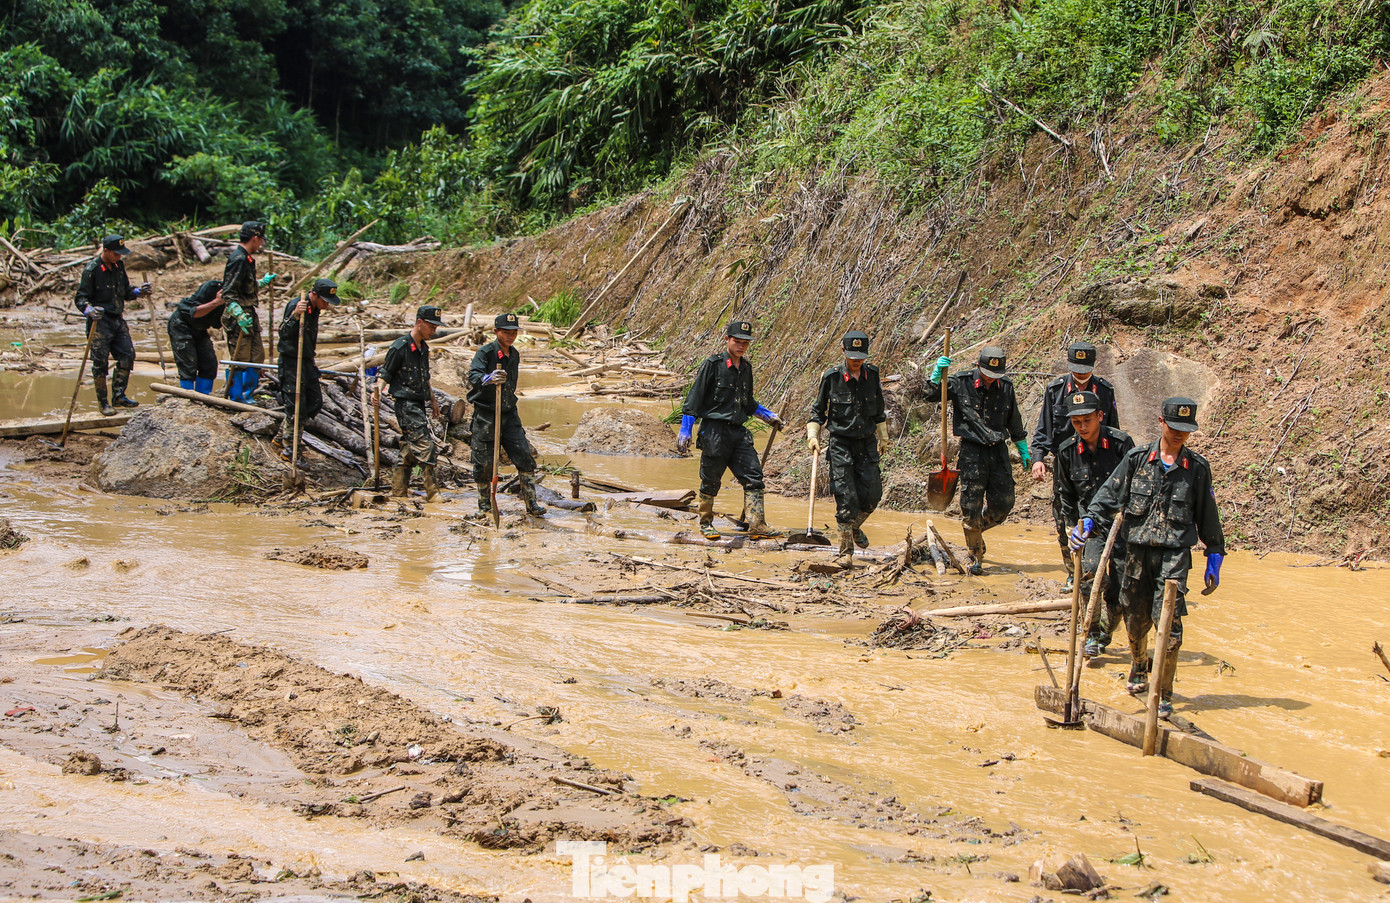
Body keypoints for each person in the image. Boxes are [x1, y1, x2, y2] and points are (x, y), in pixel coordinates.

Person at [1073, 397, 1225, 718]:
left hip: (1174, 558)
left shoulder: (1197, 469)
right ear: (1161, 422)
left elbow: (1208, 517)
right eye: (1174, 427)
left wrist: (1214, 555)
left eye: (1186, 429)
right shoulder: (1137, 459)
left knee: (1169, 627)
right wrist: (1088, 521)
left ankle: (1163, 691)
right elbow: (1107, 497)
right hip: (1136, 555)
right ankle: (1139, 663)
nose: (1179, 434)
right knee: (1135, 620)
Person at [925, 346, 1029, 574]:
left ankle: (977, 529)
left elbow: (1014, 419)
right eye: (987, 374)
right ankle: (975, 555)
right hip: (972, 452)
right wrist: (936, 376)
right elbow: (931, 395)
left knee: (1004, 504)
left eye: (995, 375)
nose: (991, 379)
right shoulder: (961, 382)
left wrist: (1022, 448)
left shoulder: (1006, 387)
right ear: (978, 367)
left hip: (998, 451)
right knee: (970, 507)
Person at [678, 319, 785, 540]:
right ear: (727, 339)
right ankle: (706, 523)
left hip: (738, 433)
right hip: (714, 432)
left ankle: (757, 525)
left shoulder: (746, 368)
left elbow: (748, 403)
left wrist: (768, 416)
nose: (741, 346)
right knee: (711, 479)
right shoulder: (713, 365)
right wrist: (685, 430)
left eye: (745, 343)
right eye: (737, 341)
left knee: (754, 476)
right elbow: (694, 400)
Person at [1053, 390, 1134, 657]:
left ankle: (1106, 632)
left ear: (1100, 416)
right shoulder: (1067, 451)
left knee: (1122, 588)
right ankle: (1091, 632)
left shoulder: (1122, 444)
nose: (1082, 427)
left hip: (1121, 523)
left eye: (1087, 420)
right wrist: (1069, 527)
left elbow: (1134, 485)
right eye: (1076, 422)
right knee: (1089, 574)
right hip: (1089, 525)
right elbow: (1065, 493)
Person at [1031, 340, 1121, 578]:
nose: (1080, 374)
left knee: (1101, 515)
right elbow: (1044, 428)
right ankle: (1073, 573)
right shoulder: (1056, 390)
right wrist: (1038, 458)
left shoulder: (1104, 391)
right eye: (1076, 369)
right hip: (1067, 466)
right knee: (1065, 520)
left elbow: (1113, 429)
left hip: (1099, 465)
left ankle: (1099, 573)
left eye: (1085, 369)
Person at [808, 330, 888, 564]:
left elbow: (879, 410)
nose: (856, 361)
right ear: (843, 351)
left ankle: (852, 527)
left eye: (860, 357)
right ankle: (845, 554)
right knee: (846, 499)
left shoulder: (872, 375)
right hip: (841, 444)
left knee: (873, 495)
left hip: (866, 443)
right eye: (852, 356)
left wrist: (883, 436)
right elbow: (817, 412)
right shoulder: (831, 377)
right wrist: (813, 436)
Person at [469, 311, 547, 515]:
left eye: (513, 332)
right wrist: (487, 378)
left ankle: (531, 503)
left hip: (509, 413)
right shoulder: (485, 353)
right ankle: (485, 506)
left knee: (524, 455)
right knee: (484, 462)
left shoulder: (514, 354)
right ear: (496, 332)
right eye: (506, 332)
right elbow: (473, 375)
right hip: (487, 414)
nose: (510, 336)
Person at [74, 235, 149, 416]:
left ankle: (119, 395)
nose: (119, 257)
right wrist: (89, 310)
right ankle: (103, 403)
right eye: (116, 253)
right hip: (99, 322)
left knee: (127, 355)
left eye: (120, 254)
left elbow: (125, 291)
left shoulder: (118, 266)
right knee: (100, 362)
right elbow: (81, 298)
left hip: (117, 319)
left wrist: (139, 291)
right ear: (105, 251)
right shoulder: (92, 270)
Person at [383, 305, 446, 500]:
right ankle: (433, 493)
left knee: (409, 449)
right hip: (405, 404)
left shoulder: (423, 348)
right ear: (419, 322)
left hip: (418, 403)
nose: (434, 331)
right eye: (431, 326)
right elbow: (386, 372)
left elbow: (425, 377)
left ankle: (398, 492)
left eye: (436, 327)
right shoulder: (400, 347)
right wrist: (377, 392)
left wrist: (433, 400)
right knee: (426, 446)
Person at [275, 279, 341, 461]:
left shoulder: (315, 309)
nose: (327, 305)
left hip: (306, 361)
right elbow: (283, 333)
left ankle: (281, 436)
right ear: (315, 295)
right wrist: (296, 315)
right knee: (296, 406)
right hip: (291, 362)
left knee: (314, 401)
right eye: (325, 301)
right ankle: (290, 450)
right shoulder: (297, 305)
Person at [221, 221, 267, 403]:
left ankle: (249, 394)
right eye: (261, 240)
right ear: (255, 238)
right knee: (240, 357)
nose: (261, 244)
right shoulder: (238, 259)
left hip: (249, 312)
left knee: (257, 355)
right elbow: (228, 292)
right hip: (239, 314)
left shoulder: (247, 259)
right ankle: (236, 397)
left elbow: (245, 286)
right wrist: (238, 314)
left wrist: (261, 283)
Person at [167, 279, 225, 394]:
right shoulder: (212, 287)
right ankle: (188, 397)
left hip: (200, 327)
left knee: (209, 364)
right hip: (182, 324)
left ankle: (203, 396)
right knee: (188, 363)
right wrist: (217, 302)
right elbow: (194, 312)